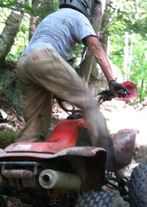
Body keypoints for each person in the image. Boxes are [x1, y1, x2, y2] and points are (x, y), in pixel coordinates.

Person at [16, 0, 127, 164]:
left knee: (36, 122)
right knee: (89, 103)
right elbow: (95, 47)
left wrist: (60, 93)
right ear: (85, 5)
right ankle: (108, 159)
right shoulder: (79, 17)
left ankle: (21, 166)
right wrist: (112, 81)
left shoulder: (52, 17)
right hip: (43, 56)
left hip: (24, 63)